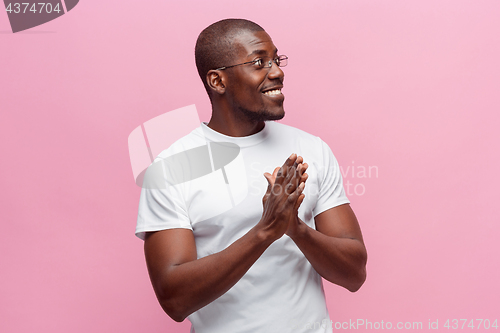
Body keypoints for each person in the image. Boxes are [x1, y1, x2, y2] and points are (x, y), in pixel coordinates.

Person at [136, 18, 367, 333]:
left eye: (276, 59)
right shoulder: (172, 168)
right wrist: (265, 231)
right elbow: (175, 300)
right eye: (260, 62)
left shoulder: (311, 149)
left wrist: (296, 228)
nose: (277, 72)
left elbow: (354, 273)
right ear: (218, 81)